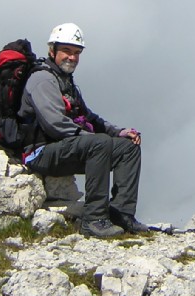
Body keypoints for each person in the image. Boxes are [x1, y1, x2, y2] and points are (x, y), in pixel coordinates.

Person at [18, 22, 146, 238]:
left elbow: (88, 117)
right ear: (52, 51)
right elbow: (55, 124)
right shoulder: (43, 79)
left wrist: (118, 132)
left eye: (77, 52)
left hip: (65, 148)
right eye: (67, 51)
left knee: (127, 148)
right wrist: (96, 140)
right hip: (39, 153)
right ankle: (94, 220)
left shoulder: (65, 81)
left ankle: (121, 214)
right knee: (100, 143)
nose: (73, 57)